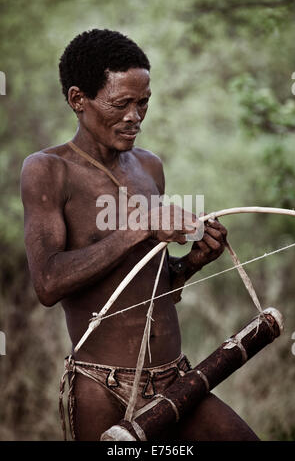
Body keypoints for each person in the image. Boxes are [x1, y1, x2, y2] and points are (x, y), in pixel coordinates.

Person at [21, 29, 258, 441]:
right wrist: (142, 226)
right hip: (101, 386)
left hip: (175, 380)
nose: (135, 116)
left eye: (143, 103)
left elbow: (150, 286)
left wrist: (190, 264)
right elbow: (47, 283)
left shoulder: (149, 168)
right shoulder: (48, 169)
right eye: (121, 104)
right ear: (79, 100)